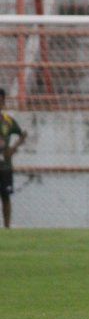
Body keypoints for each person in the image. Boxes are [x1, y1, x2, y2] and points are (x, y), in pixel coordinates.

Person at [0, 88, 28, 229]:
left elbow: (23, 134)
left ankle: (7, 228)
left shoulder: (8, 121)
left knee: (5, 197)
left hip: (5, 166)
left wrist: (13, 149)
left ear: (3, 102)